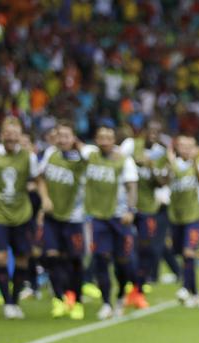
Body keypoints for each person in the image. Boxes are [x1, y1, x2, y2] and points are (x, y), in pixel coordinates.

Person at [0, 117, 47, 319]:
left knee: (22, 259)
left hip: (22, 214)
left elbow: (38, 179)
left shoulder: (28, 157)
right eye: (8, 134)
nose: (12, 138)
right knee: (1, 257)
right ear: (2, 135)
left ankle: (15, 300)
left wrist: (45, 198)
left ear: (20, 136)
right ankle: (7, 302)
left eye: (16, 135)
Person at [85, 126, 139, 319]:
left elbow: (132, 186)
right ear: (96, 139)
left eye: (108, 137)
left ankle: (121, 294)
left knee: (123, 261)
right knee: (101, 257)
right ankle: (106, 301)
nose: (105, 141)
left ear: (114, 140)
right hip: (98, 217)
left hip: (119, 217)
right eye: (101, 137)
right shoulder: (89, 156)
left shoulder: (124, 161)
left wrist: (130, 210)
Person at [39, 123, 87, 320]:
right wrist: (45, 198)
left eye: (67, 136)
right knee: (52, 256)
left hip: (74, 217)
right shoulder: (50, 154)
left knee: (74, 259)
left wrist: (81, 149)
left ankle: (75, 300)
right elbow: (41, 178)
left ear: (74, 138)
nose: (62, 140)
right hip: (53, 217)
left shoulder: (83, 157)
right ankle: (58, 299)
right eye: (59, 136)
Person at [121, 120, 169, 308]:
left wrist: (150, 167)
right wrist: (134, 162)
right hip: (126, 207)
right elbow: (116, 162)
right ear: (144, 131)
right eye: (151, 131)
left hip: (148, 208)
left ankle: (138, 290)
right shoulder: (131, 145)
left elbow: (162, 183)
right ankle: (126, 285)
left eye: (157, 132)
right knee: (125, 249)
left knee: (146, 250)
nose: (153, 135)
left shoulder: (161, 154)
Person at [166, 136, 199, 307]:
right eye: (182, 146)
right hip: (176, 216)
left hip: (194, 215)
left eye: (189, 146)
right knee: (183, 255)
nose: (185, 149)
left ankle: (185, 287)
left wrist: (192, 162)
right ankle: (195, 294)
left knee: (188, 252)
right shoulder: (171, 163)